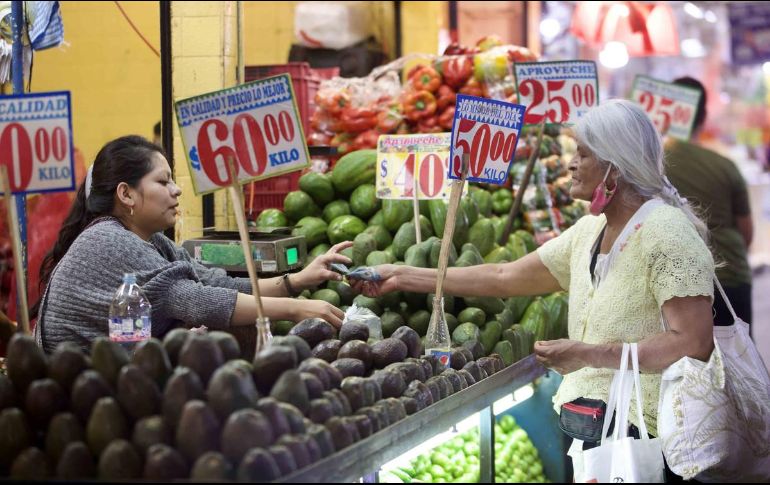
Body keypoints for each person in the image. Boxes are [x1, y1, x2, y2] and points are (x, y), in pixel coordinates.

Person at [353, 100, 715, 480]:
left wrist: (589, 354)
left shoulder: (665, 232)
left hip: (653, 436)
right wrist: (402, 275)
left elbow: (693, 342)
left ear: (615, 168)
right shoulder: (590, 232)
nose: (570, 164)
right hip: (595, 427)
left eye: (583, 154)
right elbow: (503, 277)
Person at [34, 135, 350, 354]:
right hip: (76, 396)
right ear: (126, 194)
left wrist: (297, 280)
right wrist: (296, 309)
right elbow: (195, 300)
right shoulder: (108, 239)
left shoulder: (151, 239)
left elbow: (213, 282)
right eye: (163, 181)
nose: (176, 191)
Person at [666, 76, 753, 328]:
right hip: (730, 275)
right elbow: (746, 232)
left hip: (677, 283)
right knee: (739, 360)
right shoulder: (725, 166)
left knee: (687, 364)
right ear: (703, 116)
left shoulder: (652, 168)